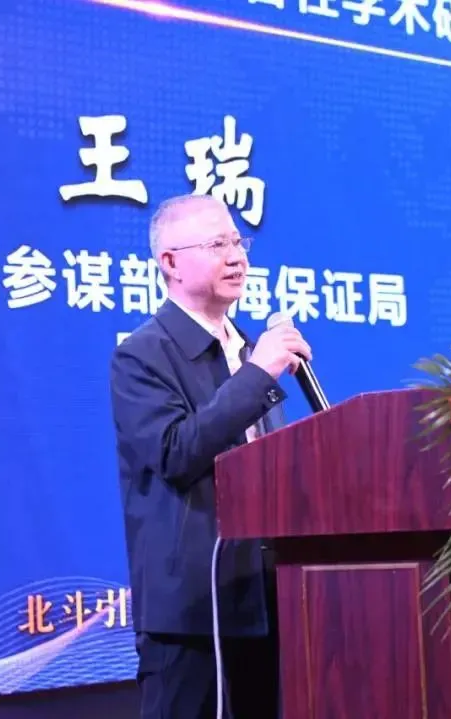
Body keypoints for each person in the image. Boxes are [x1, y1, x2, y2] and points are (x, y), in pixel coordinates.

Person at [109, 194, 312, 719]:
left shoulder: (248, 351)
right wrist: (257, 375)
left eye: (238, 242)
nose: (237, 256)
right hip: (191, 617)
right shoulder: (141, 355)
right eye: (218, 244)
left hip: (266, 603)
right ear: (170, 263)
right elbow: (176, 453)